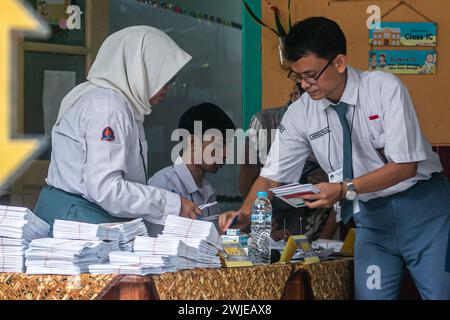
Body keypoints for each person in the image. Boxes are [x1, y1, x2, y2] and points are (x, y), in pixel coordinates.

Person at [219, 17, 450, 299]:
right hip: (372, 221)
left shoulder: (383, 89)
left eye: (311, 75)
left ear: (339, 63)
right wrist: (245, 213)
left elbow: (405, 166)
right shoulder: (301, 113)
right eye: (298, 76)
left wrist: (343, 189)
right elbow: (271, 176)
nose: (304, 85)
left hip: (425, 212)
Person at [34, 26, 202, 229]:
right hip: (79, 218)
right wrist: (173, 205)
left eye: (172, 80)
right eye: (164, 77)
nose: (168, 86)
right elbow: (106, 189)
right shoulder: (108, 107)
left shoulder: (120, 104)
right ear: (140, 69)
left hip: (83, 214)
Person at [241, 84, 337, 241]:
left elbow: (341, 186)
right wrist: (252, 215)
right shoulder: (268, 122)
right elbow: (263, 178)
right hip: (268, 221)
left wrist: (324, 240)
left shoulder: (332, 123)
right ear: (295, 95)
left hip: (313, 222)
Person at [147, 103, 236, 235]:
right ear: (193, 142)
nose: (226, 153)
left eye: (228, 145)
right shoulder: (163, 186)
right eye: (219, 144)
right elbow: (157, 245)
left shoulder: (207, 190)